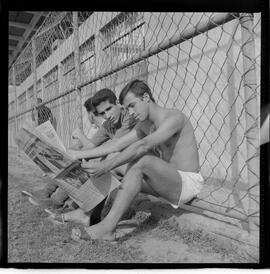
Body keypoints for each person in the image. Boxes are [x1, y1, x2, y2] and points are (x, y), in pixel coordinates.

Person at [71, 79, 204, 241]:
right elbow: (117, 145)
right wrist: (76, 155)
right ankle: (89, 215)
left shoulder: (175, 117)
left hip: (187, 184)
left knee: (142, 160)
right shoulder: (144, 124)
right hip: (164, 183)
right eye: (127, 108)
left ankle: (106, 227)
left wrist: (104, 165)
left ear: (146, 97)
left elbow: (143, 145)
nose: (130, 112)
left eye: (132, 105)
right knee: (118, 161)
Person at [47, 88, 138, 225]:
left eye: (109, 109)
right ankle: (82, 210)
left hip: (141, 166)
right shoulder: (108, 125)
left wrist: (79, 154)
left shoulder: (129, 117)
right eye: (102, 113)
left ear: (118, 103)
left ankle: (82, 212)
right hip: (124, 166)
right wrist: (64, 156)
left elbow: (115, 146)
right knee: (91, 160)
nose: (107, 116)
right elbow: (90, 146)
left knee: (104, 159)